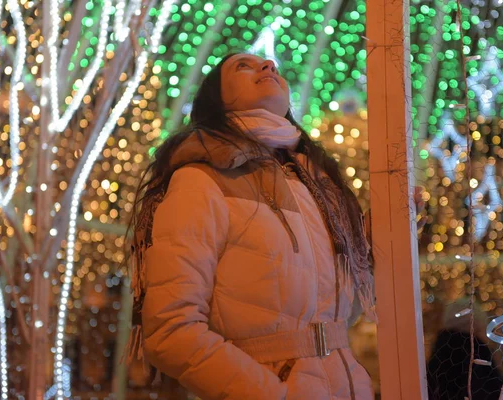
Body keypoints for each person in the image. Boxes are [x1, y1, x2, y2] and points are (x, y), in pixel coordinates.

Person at [125, 52, 375, 399]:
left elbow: (344, 314)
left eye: (272, 65)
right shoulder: (201, 180)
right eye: (243, 66)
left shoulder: (318, 187)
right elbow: (171, 330)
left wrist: (383, 237)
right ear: (217, 99)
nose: (268, 66)